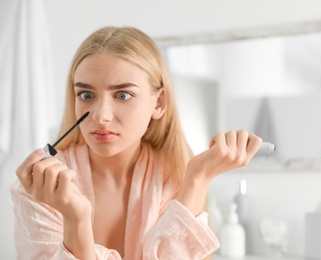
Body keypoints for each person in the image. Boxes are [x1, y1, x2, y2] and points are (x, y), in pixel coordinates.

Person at [11, 26, 262, 259]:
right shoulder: (40, 186)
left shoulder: (173, 179)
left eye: (123, 95)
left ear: (159, 103)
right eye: (86, 95)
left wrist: (198, 178)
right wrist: (76, 219)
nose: (100, 115)